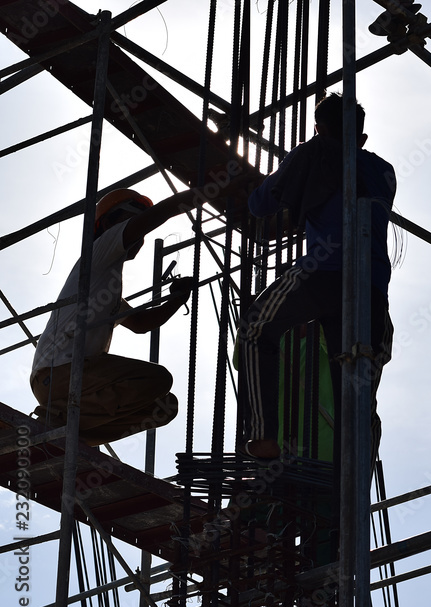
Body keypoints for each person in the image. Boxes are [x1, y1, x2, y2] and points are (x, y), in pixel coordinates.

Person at [241, 92, 395, 460]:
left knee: (255, 330)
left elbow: (258, 204)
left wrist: (300, 157)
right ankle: (353, 481)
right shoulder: (384, 171)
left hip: (322, 274)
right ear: (361, 136)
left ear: (320, 128)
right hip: (372, 290)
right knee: (355, 397)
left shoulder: (313, 153)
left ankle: (263, 435)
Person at [30, 186, 228, 445]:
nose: (141, 234)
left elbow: (141, 323)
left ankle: (77, 435)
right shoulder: (100, 250)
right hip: (60, 373)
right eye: (131, 216)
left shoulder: (104, 284)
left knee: (164, 407)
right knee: (156, 378)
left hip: (72, 381)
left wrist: (177, 299)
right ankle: (54, 420)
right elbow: (163, 212)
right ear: (109, 222)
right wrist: (210, 190)